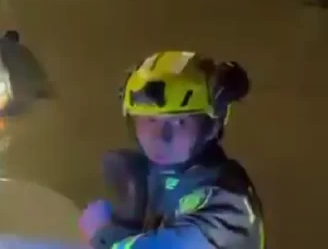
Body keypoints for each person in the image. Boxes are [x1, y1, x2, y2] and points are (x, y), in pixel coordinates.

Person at [79, 51, 264, 249]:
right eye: (150, 120)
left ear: (211, 126)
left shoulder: (228, 201)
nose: (160, 136)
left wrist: (103, 234)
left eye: (179, 122)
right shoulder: (159, 178)